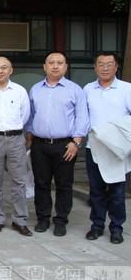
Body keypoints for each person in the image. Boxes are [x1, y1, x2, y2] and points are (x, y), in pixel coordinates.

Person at [26, 52, 89, 237]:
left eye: (59, 63)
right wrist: (29, 137)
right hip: (39, 144)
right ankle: (43, 218)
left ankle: (61, 220)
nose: (55, 66)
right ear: (44, 67)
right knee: (41, 183)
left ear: (65, 67)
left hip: (66, 145)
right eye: (51, 63)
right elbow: (30, 115)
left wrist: (76, 142)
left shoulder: (75, 90)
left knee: (64, 185)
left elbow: (82, 117)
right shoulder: (36, 89)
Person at [83, 52, 131, 244]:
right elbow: (83, 117)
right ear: (95, 67)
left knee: (117, 192)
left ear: (116, 66)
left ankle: (116, 228)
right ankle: (97, 225)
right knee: (96, 191)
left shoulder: (126, 89)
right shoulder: (87, 89)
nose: (105, 68)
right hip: (93, 147)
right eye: (100, 64)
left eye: (109, 64)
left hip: (116, 149)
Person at [0, 57, 32, 236]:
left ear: (11, 70)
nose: (0, 70)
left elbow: (25, 115)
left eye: (4, 67)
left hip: (15, 138)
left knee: (19, 181)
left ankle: (20, 220)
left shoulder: (19, 91)